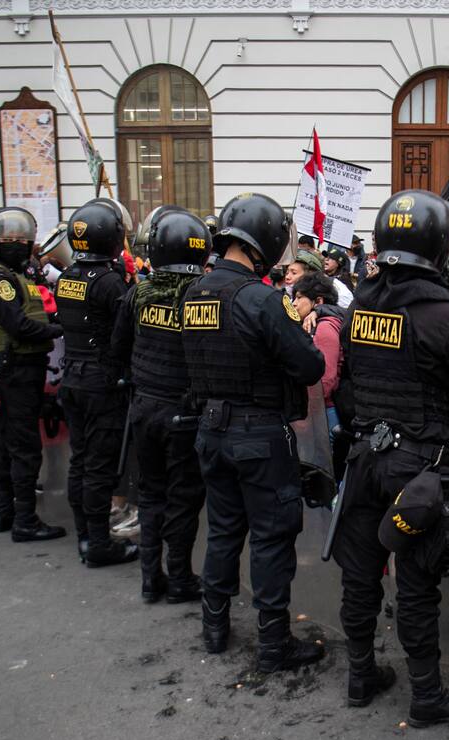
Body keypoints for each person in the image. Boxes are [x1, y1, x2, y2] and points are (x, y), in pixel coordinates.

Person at [333, 189, 449, 723]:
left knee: (359, 574)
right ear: (440, 244)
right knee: (417, 585)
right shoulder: (448, 317)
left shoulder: (360, 306)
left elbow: (349, 382)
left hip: (363, 460)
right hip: (420, 471)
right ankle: (426, 695)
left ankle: (361, 676)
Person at [180, 193, 325, 673]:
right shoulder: (261, 298)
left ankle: (214, 628)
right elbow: (309, 365)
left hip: (211, 429)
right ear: (265, 241)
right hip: (258, 435)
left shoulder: (193, 293)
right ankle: (272, 643)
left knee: (222, 531)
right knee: (270, 536)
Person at [111, 208, 211, 602]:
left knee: (150, 495)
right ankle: (181, 578)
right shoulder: (199, 296)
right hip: (183, 414)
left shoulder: (138, 292)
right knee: (183, 499)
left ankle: (151, 579)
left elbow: (119, 347)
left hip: (144, 407)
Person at [54, 201, 138, 567]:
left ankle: (85, 536)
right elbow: (124, 333)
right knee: (100, 466)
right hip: (102, 382)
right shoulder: (108, 281)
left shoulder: (67, 275)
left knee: (81, 461)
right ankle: (100, 543)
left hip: (72, 377)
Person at [0, 207, 65, 542]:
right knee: (24, 447)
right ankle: (25, 519)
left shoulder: (12, 275)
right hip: (16, 371)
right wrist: (59, 329)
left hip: (18, 370)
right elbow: (19, 325)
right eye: (9, 238)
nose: (17, 244)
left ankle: (6, 512)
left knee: (8, 446)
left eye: (22, 238)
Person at [292, 271, 343, 434]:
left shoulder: (324, 328)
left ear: (318, 301)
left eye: (299, 298)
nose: (294, 303)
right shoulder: (312, 324)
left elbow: (325, 383)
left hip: (322, 414)